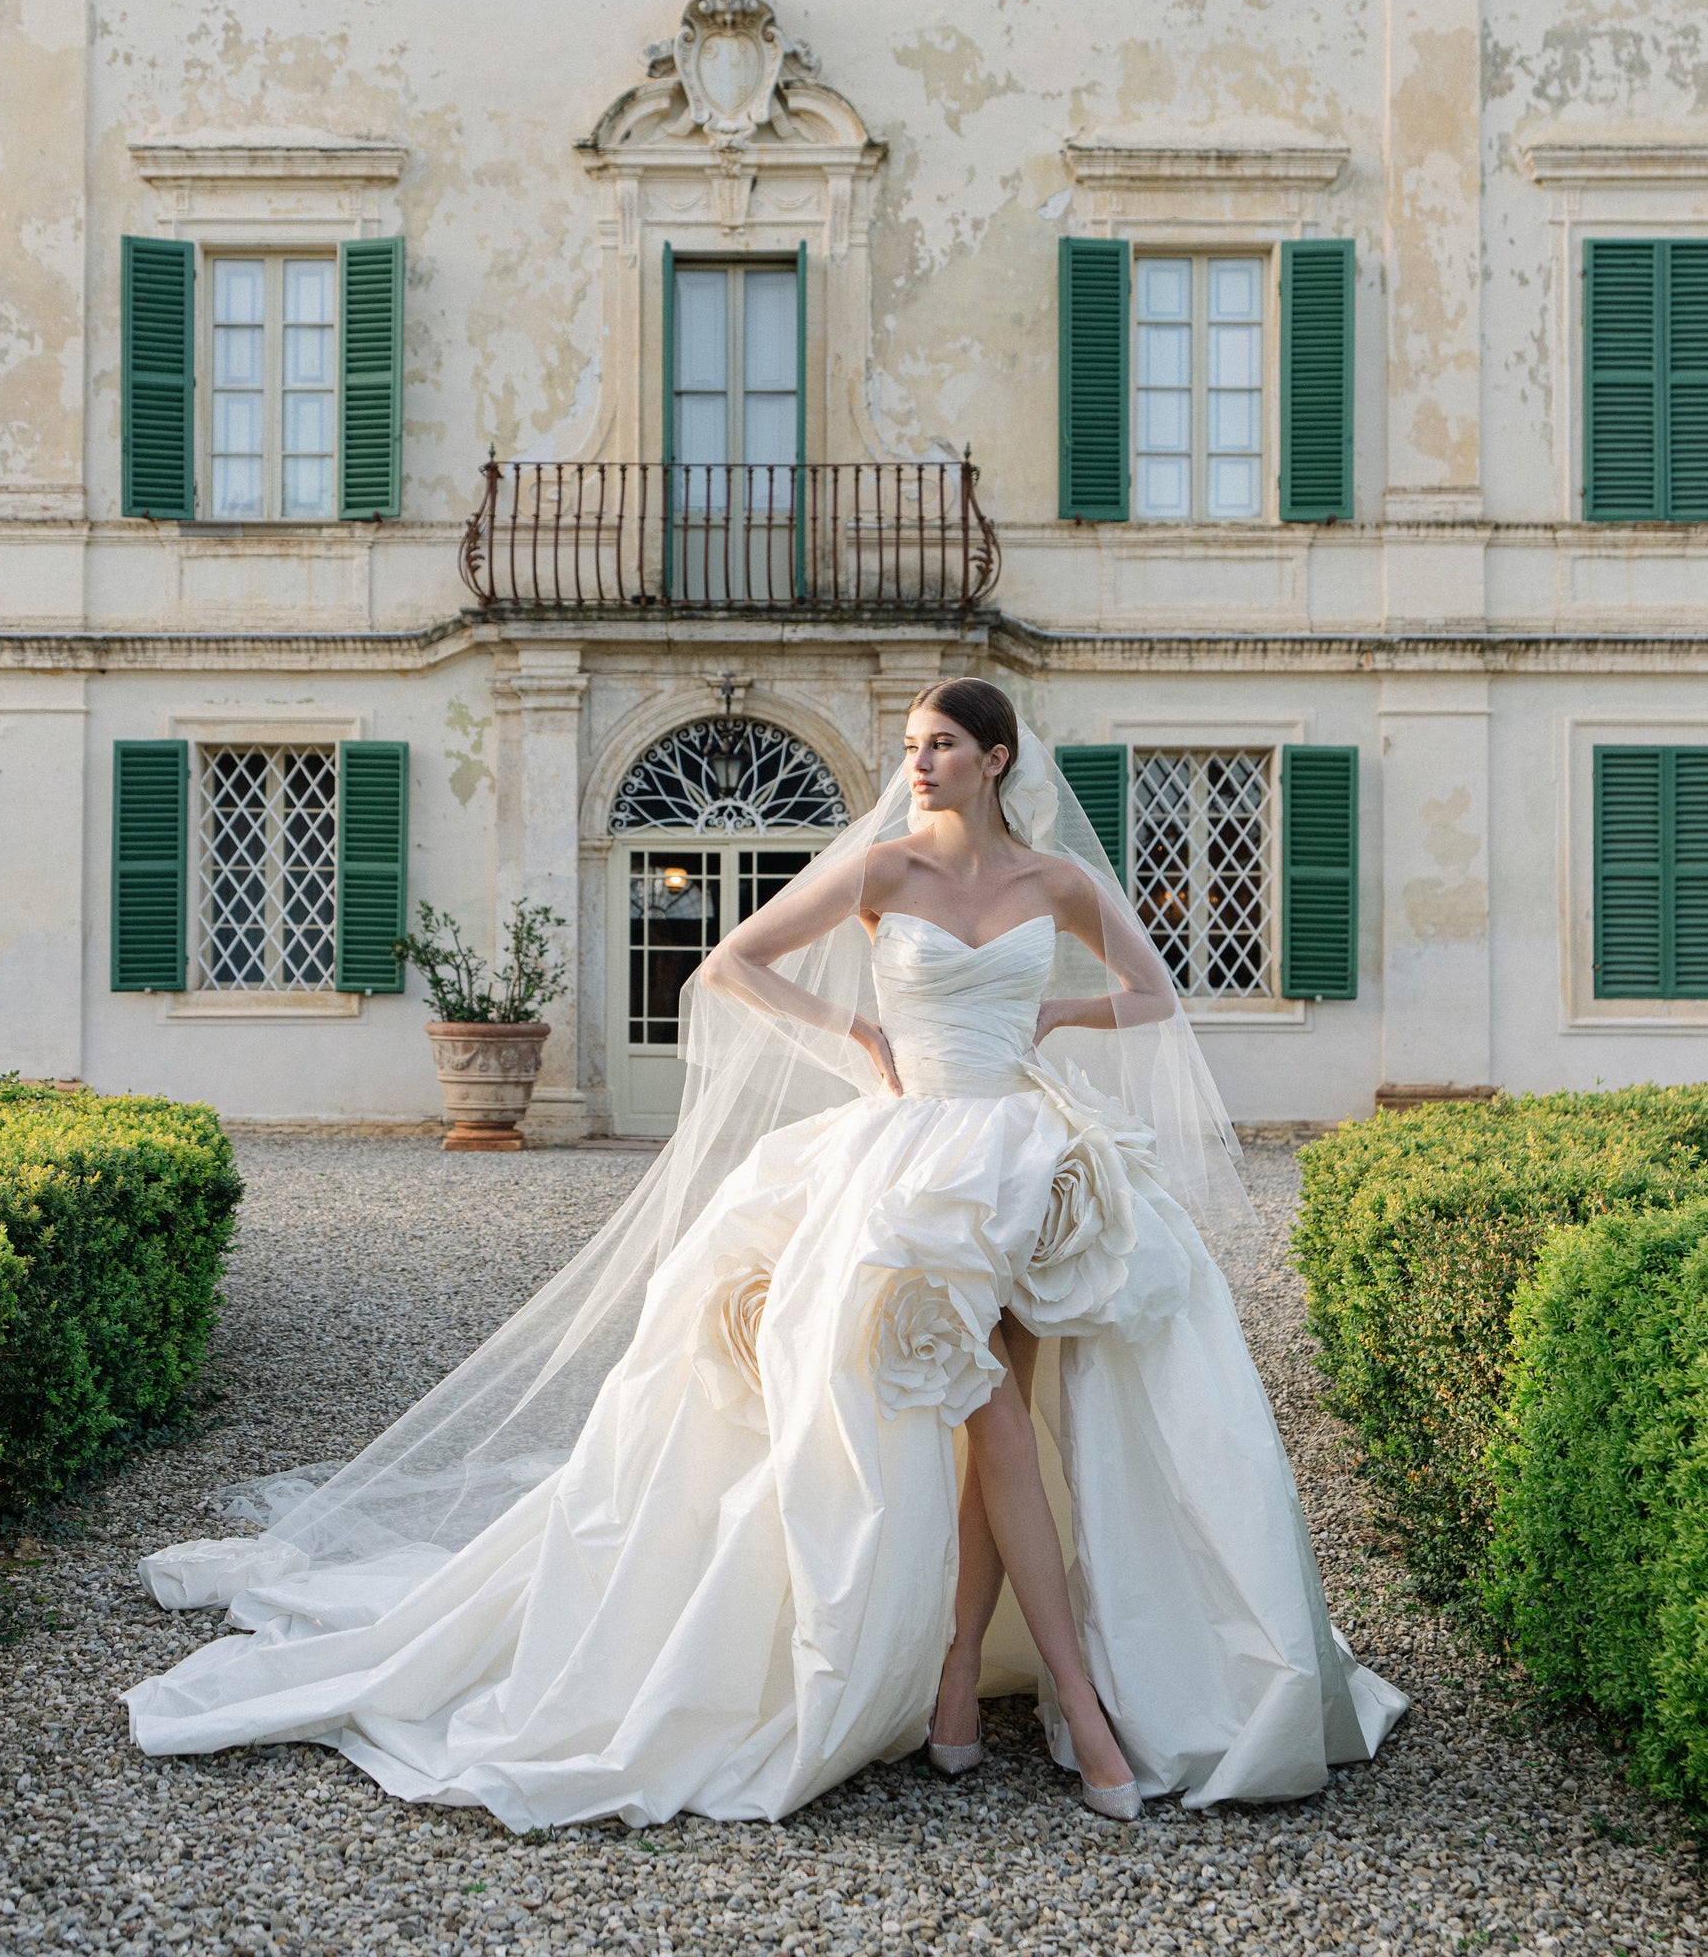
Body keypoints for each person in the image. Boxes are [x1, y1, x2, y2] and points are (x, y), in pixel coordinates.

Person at [123, 680, 1404, 1830]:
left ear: (998, 759)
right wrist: (852, 1028)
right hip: (910, 1166)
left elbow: (1156, 995)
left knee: (1004, 1415)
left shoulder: (1057, 884)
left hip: (1028, 1154)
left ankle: (963, 1690)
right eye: (911, 744)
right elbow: (732, 964)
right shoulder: (885, 872)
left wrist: (1057, 1011)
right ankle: (1070, 1703)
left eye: (942, 745)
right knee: (993, 1416)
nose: (919, 762)